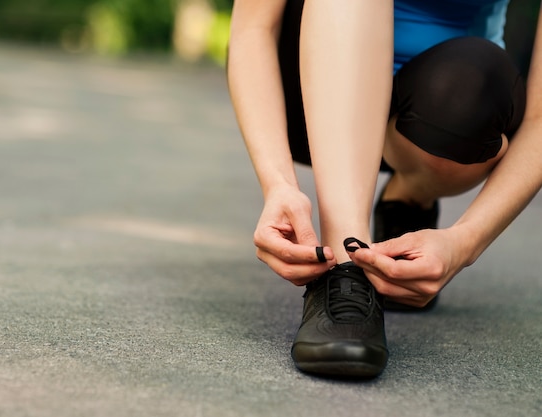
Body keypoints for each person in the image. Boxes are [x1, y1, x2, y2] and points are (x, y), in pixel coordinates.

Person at [226, 0, 542, 379]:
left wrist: (464, 243)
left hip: (444, 106)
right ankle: (347, 264)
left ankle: (409, 196)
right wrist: (278, 184)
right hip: (310, 78)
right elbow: (252, 30)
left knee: (473, 88)